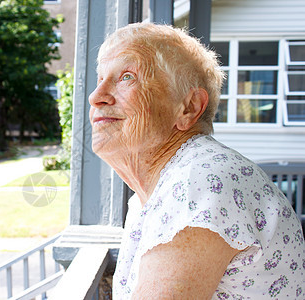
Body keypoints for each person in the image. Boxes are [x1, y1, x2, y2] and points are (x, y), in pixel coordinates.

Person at [89, 23, 304, 299]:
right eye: (100, 79)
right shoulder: (166, 187)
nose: (97, 97)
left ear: (188, 108)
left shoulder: (199, 183)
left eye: (127, 77)